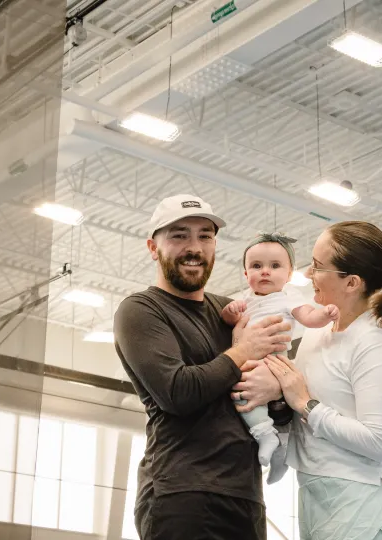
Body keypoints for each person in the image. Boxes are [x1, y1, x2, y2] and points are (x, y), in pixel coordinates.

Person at [114, 194, 294, 540]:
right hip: (183, 494)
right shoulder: (141, 311)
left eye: (205, 236)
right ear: (153, 248)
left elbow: (283, 405)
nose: (194, 247)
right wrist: (244, 351)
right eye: (179, 236)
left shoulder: (234, 312)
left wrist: (276, 389)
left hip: (246, 496)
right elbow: (178, 392)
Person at [260, 220, 382, 540]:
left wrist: (306, 404)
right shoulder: (318, 332)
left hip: (366, 508)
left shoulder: (372, 343)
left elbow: (378, 441)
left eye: (318, 266)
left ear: (351, 283)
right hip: (319, 497)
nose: (308, 273)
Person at [221, 232, 340, 483]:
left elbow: (308, 316)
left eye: (275, 266)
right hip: (249, 360)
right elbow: (229, 320)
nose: (265, 271)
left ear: (289, 274)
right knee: (242, 394)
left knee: (260, 398)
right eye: (256, 266)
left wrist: (325, 315)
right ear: (245, 273)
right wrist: (230, 312)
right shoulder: (245, 299)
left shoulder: (288, 298)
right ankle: (272, 440)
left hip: (274, 359)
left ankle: (272, 439)